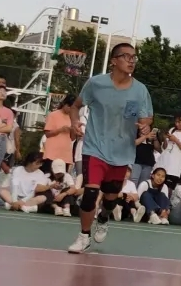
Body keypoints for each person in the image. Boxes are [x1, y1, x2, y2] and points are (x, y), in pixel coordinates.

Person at [66, 43, 153, 254]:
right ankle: (84, 236)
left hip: (122, 151)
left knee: (111, 198)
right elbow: (76, 106)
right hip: (95, 147)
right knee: (90, 193)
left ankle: (104, 217)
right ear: (113, 61)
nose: (131, 60)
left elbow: (147, 118)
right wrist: (75, 122)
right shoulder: (96, 83)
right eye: (126, 56)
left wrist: (145, 126)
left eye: (134, 57)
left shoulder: (140, 90)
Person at [43, 96, 76, 171]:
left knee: (62, 176)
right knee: (49, 174)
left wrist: (74, 130)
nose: (70, 109)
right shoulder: (53, 115)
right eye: (69, 106)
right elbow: (47, 134)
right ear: (64, 104)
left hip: (65, 154)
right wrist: (61, 130)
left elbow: (72, 138)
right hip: (52, 153)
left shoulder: (72, 118)